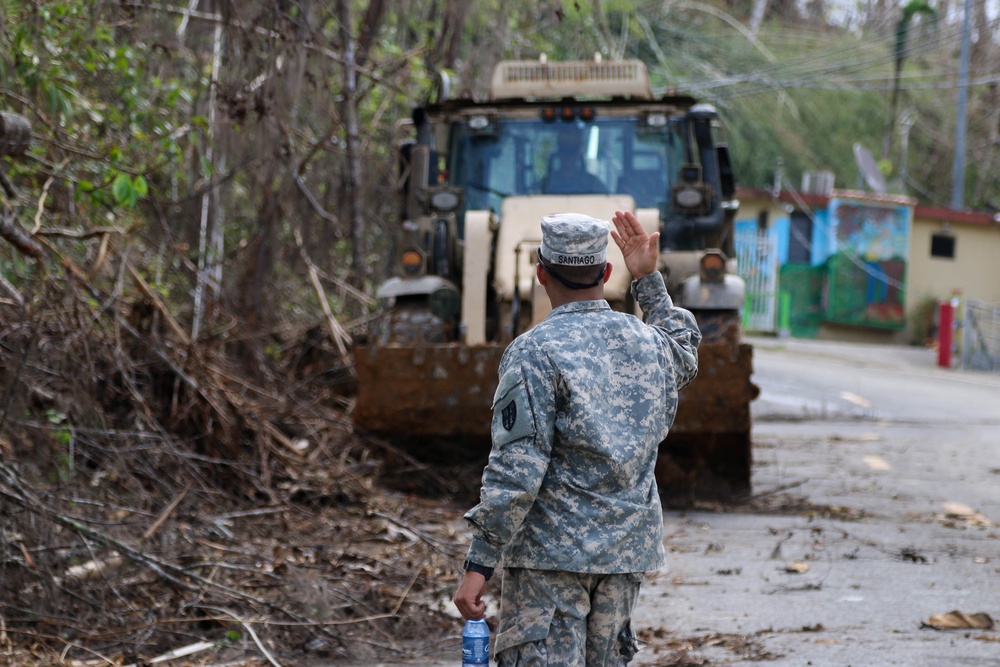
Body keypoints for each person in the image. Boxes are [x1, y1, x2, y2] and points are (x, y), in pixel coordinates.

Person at [453, 210, 702, 665]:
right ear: (607, 273)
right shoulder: (650, 344)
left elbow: (517, 473)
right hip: (625, 557)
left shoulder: (534, 352)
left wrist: (479, 564)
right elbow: (684, 348)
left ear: (540, 272)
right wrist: (647, 279)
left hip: (551, 562)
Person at [541, 131, 608, 194]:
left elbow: (607, 200)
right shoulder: (546, 184)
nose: (569, 156)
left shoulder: (593, 184)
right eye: (565, 151)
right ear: (559, 154)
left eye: (573, 151)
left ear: (578, 155)